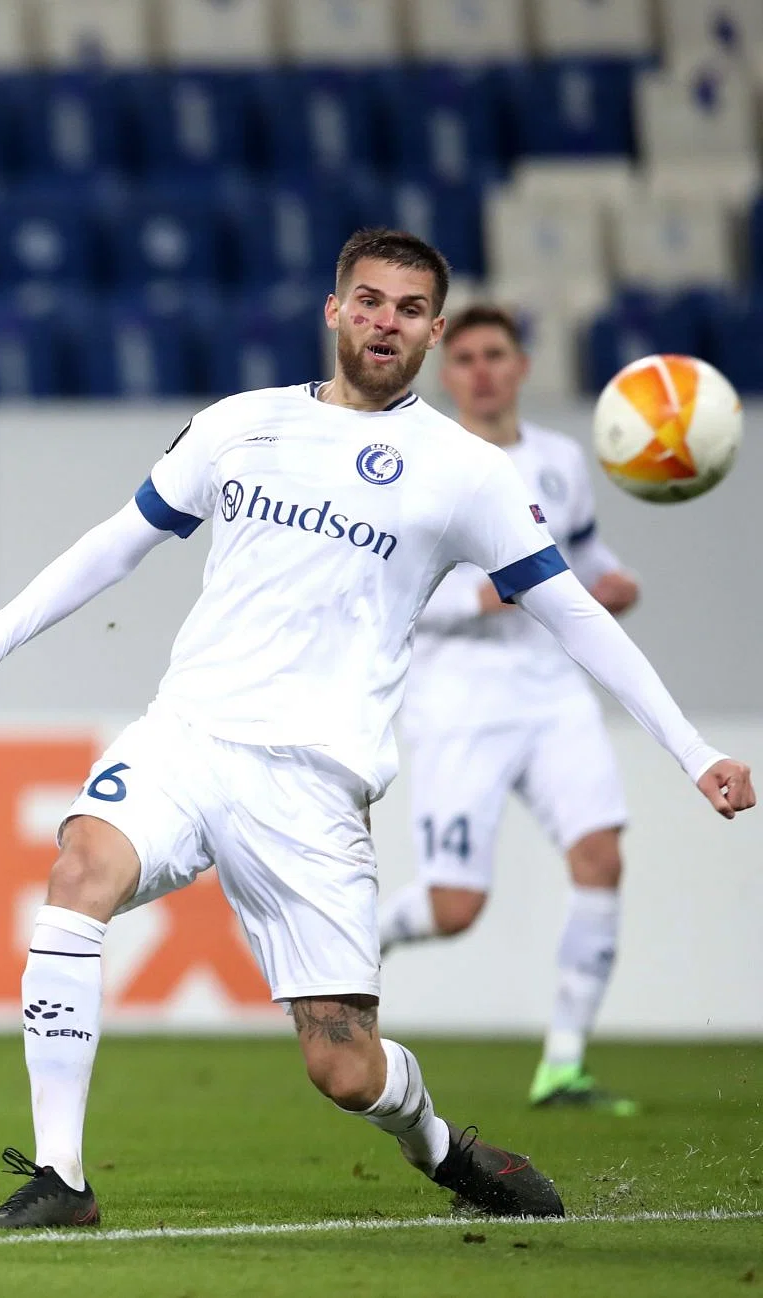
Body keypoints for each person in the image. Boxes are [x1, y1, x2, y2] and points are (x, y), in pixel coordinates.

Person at [0, 229, 753, 1230]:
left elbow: (574, 613)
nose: (385, 322)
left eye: (408, 309)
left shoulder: (465, 471)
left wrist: (693, 750)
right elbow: (115, 545)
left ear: (435, 331)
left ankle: (439, 1143)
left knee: (344, 1065)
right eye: (369, 300)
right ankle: (61, 1177)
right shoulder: (240, 425)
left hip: (316, 781)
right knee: (77, 872)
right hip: (189, 734)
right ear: (334, 309)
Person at [382, 304, 643, 1115]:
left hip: (553, 695)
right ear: (445, 372)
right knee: (456, 908)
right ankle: (357, 938)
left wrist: (615, 579)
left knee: (601, 856)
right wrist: (486, 595)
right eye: (465, 359)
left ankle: (564, 1065)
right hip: (459, 702)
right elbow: (392, 594)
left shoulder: (563, 460)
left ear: (522, 365)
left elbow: (585, 553)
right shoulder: (418, 463)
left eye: (496, 354)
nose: (482, 370)